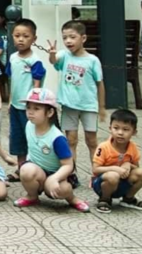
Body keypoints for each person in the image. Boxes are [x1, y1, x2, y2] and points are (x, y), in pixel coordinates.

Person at [49, 20, 106, 186]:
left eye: (72, 37)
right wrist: (52, 54)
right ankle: (71, 173)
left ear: (83, 38)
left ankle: (96, 174)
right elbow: (54, 61)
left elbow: (100, 83)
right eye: (65, 38)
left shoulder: (92, 60)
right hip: (69, 106)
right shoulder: (64, 56)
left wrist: (102, 107)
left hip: (88, 106)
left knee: (92, 141)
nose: (68, 41)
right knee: (71, 140)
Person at [14, 88, 89, 212]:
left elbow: (68, 165)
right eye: (28, 107)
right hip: (37, 170)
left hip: (56, 174)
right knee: (25, 170)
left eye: (36, 108)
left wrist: (55, 178)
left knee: (63, 190)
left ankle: (72, 199)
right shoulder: (29, 125)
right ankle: (32, 197)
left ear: (50, 112)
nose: (30, 112)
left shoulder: (57, 137)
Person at [6, 19, 46, 180]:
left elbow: (37, 85)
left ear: (34, 39)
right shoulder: (12, 58)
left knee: (31, 137)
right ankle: (21, 169)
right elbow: (12, 81)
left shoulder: (35, 61)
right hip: (16, 106)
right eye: (17, 36)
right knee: (17, 138)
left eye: (25, 36)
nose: (21, 39)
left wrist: (33, 106)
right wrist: (10, 102)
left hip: (28, 108)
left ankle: (34, 168)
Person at [92, 109, 142, 213]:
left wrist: (128, 165)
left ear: (134, 132)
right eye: (116, 128)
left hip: (122, 183)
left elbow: (137, 168)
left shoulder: (133, 148)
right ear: (110, 128)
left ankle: (128, 199)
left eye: (126, 129)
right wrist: (115, 169)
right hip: (103, 183)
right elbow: (95, 170)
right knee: (113, 176)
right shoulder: (104, 147)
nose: (120, 133)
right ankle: (104, 199)